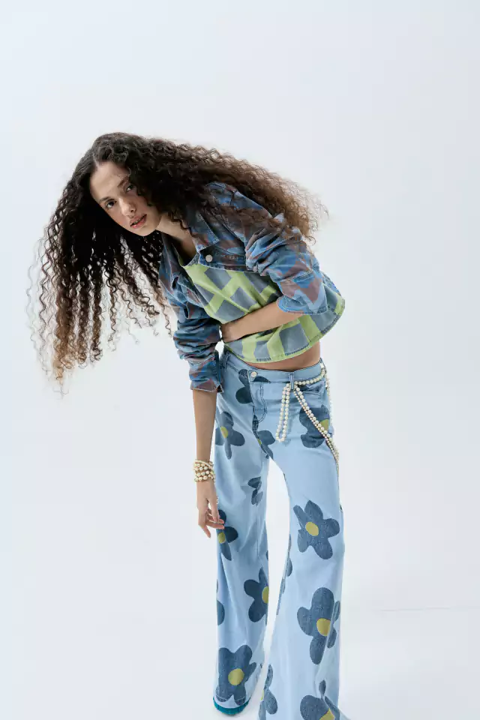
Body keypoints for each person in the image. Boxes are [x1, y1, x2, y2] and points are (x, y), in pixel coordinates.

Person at [27, 132, 350, 719]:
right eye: (109, 204)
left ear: (155, 175)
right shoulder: (172, 264)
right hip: (236, 399)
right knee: (234, 536)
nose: (127, 209)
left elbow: (305, 288)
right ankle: (236, 677)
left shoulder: (223, 209)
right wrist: (202, 470)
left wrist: (233, 330)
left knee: (320, 543)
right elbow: (201, 368)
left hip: (296, 399)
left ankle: (298, 705)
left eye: (129, 188)